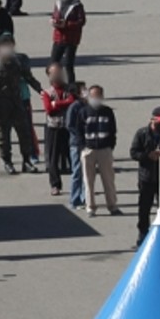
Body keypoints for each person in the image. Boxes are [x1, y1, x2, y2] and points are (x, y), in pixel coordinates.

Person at [0, 34, 41, 175]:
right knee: (3, 136)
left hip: (16, 101)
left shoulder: (17, 61)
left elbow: (28, 77)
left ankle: (26, 161)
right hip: (0, 104)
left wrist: (40, 90)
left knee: (24, 132)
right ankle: (7, 162)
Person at [70, 85, 121, 217]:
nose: (95, 98)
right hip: (89, 150)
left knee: (108, 180)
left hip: (104, 150)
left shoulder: (108, 111)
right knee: (88, 181)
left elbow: (113, 130)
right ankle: (90, 207)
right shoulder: (83, 112)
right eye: (93, 96)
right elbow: (78, 131)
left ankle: (113, 206)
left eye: (98, 96)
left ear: (102, 97)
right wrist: (83, 147)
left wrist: (110, 146)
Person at [129, 108, 160, 247]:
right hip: (146, 177)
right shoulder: (142, 133)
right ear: (152, 119)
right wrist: (148, 156)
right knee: (144, 207)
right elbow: (134, 153)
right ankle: (143, 233)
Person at [41, 63, 77, 197]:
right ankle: (55, 185)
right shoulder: (47, 92)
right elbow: (49, 110)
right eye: (53, 73)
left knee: (73, 156)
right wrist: (63, 104)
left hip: (68, 127)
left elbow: (72, 102)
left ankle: (78, 184)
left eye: (59, 72)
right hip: (53, 127)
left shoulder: (70, 89)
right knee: (53, 158)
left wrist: (56, 103)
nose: (57, 75)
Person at [50, 0, 86, 85]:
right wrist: (54, 21)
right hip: (58, 38)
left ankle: (71, 87)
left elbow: (81, 21)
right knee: (53, 64)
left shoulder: (77, 5)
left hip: (71, 39)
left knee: (68, 65)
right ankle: (56, 85)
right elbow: (55, 15)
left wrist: (66, 24)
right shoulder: (58, 3)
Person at [64, 83, 88, 210]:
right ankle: (74, 200)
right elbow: (69, 125)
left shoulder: (87, 105)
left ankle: (84, 198)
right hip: (77, 144)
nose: (86, 91)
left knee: (86, 172)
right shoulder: (74, 107)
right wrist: (80, 136)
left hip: (87, 143)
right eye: (83, 89)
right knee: (77, 171)